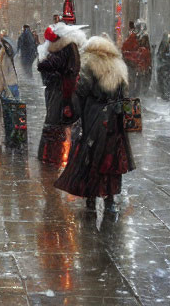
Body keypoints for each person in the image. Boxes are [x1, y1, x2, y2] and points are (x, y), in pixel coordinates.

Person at [54, 35, 135, 213]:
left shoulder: (89, 63)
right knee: (111, 159)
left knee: (89, 157)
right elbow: (125, 93)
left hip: (94, 115)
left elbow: (82, 91)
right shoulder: (119, 65)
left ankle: (91, 197)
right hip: (115, 119)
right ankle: (110, 199)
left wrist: (74, 114)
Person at [37, 22, 85, 163]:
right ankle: (67, 153)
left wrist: (43, 61)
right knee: (67, 123)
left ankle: (54, 155)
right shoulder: (71, 47)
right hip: (66, 89)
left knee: (56, 123)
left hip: (61, 90)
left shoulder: (64, 48)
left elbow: (48, 64)